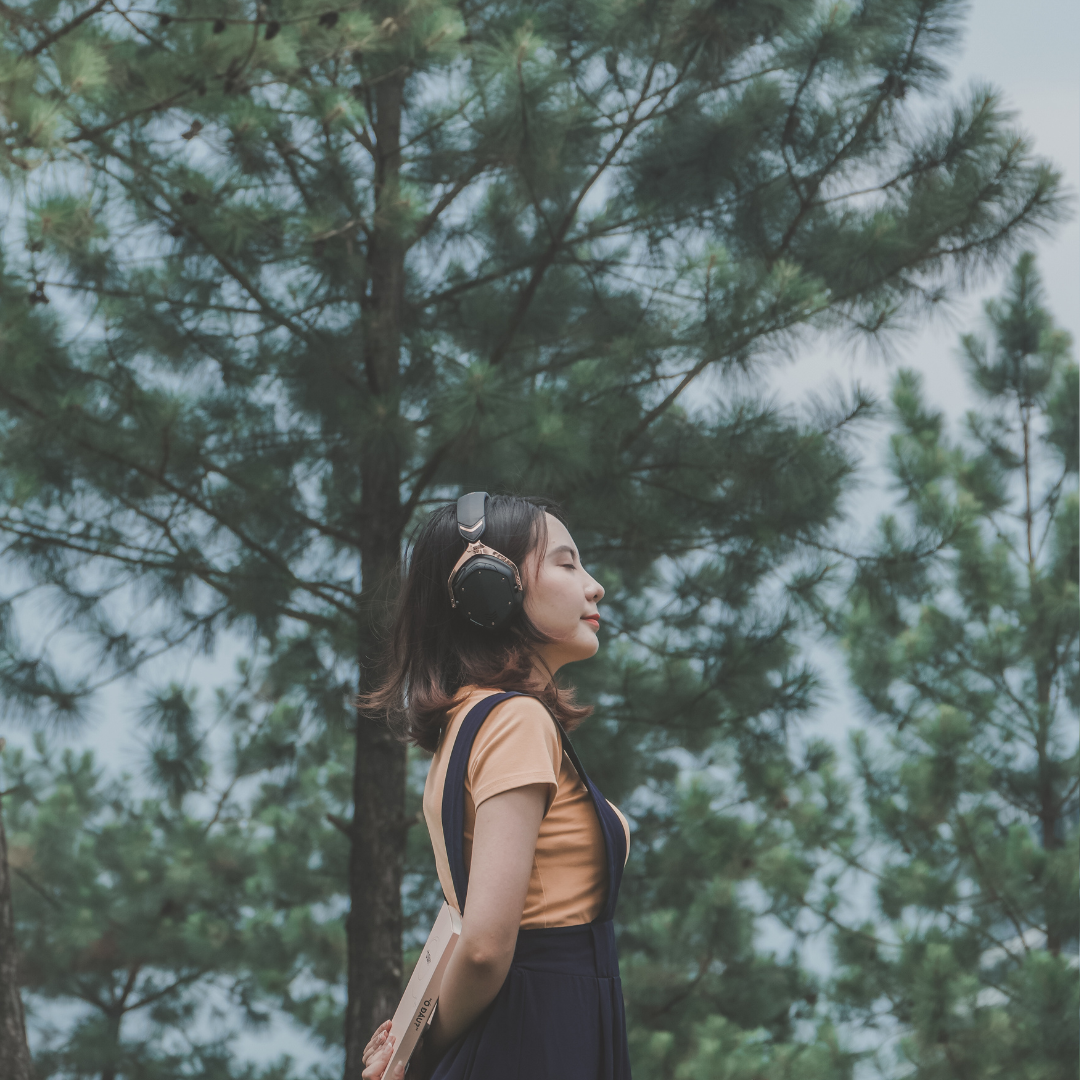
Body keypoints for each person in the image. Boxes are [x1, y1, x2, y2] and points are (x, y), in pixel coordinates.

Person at [360, 492, 632, 1080]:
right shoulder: (516, 721)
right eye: (567, 563)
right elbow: (483, 944)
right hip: (543, 1031)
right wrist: (424, 1057)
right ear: (492, 587)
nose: (595, 586)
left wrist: (411, 1044)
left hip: (521, 1028)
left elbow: (459, 918)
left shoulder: (468, 723)